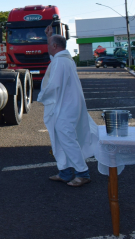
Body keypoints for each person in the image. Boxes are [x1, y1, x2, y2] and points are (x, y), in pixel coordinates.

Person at [37, 26, 98, 187]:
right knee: (61, 139)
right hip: (68, 105)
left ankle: (82, 173)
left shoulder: (60, 62)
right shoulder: (64, 59)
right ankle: (64, 172)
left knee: (67, 139)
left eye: (49, 44)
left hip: (64, 107)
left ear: (55, 47)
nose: (47, 47)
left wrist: (41, 96)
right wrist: (49, 36)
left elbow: (53, 85)